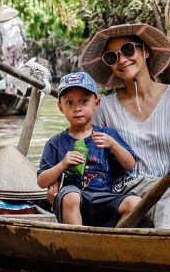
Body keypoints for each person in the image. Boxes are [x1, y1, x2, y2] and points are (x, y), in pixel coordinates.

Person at [79, 23, 170, 230]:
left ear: (146, 51)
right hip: (129, 186)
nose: (122, 60)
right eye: (112, 57)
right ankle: (168, 254)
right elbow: (88, 151)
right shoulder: (104, 108)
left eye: (127, 50)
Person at [37, 71, 141, 226]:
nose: (77, 108)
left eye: (84, 101)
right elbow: (42, 181)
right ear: (60, 107)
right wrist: (63, 164)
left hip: (105, 198)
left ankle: (113, 239)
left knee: (136, 203)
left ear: (96, 104)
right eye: (69, 103)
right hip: (74, 200)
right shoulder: (56, 142)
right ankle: (77, 244)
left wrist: (114, 145)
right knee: (71, 196)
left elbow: (130, 164)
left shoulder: (107, 135)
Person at [0, 4, 26, 88]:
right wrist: (25, 43)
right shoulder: (17, 20)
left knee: (8, 69)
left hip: (7, 47)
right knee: (19, 67)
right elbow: (23, 34)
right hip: (19, 45)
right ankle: (20, 89)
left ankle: (10, 90)